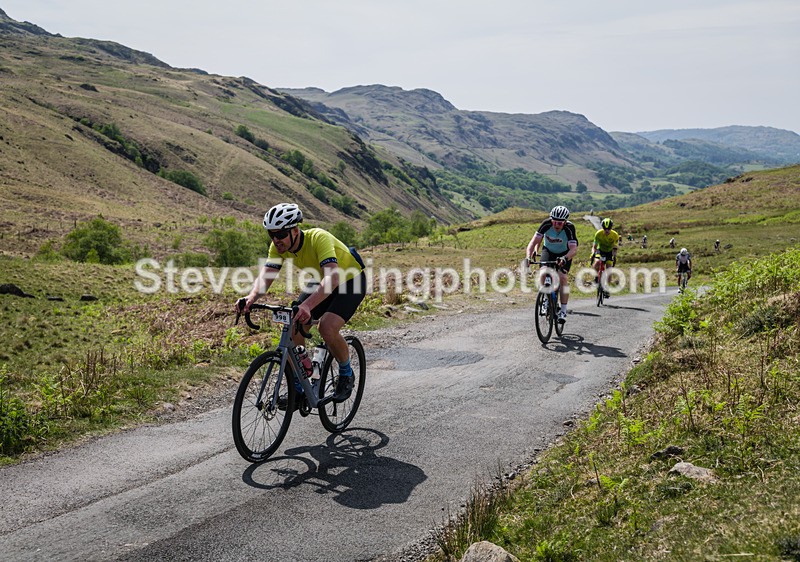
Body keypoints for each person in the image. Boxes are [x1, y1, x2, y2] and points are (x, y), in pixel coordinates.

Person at [238, 203, 367, 409]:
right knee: (294, 322)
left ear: (295, 230)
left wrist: (307, 305)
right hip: (322, 280)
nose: (276, 240)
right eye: (271, 235)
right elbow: (267, 277)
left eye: (280, 234)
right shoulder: (278, 247)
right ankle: (300, 383)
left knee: (327, 327)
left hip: (350, 281)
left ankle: (346, 373)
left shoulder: (319, 238)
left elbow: (333, 278)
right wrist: (251, 298)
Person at [524, 205, 578, 323]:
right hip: (548, 251)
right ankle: (545, 299)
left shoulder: (569, 228)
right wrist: (528, 257)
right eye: (554, 222)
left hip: (564, 253)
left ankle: (563, 311)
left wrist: (565, 258)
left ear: (565, 222)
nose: (556, 225)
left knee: (562, 277)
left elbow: (573, 249)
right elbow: (532, 243)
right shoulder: (546, 224)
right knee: (543, 272)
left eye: (560, 223)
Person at [590, 218, 619, 299]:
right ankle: (596, 277)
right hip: (600, 250)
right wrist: (593, 253)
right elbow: (594, 246)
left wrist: (614, 255)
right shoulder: (598, 234)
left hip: (609, 252)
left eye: (609, 229)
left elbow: (615, 247)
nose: (607, 231)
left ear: (611, 228)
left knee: (609, 269)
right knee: (597, 263)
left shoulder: (615, 235)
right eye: (605, 229)